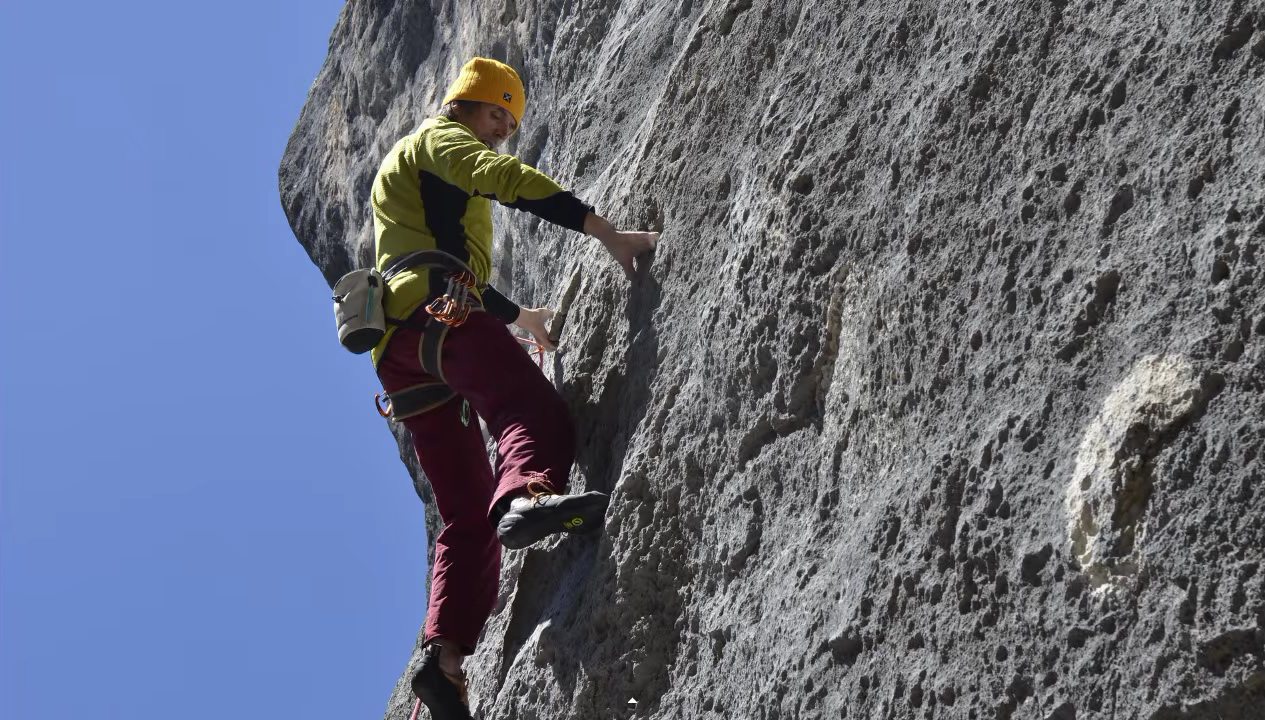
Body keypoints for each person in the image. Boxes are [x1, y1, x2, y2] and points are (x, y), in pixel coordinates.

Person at [367, 57, 658, 719]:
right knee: (528, 409)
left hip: (401, 353)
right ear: (466, 103)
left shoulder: (410, 170)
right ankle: (527, 499)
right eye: (497, 111)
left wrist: (518, 317)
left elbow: (434, 258)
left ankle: (442, 663)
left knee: (465, 515)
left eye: (511, 120)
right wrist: (602, 231)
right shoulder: (442, 140)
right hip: (436, 315)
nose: (503, 129)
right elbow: (499, 180)